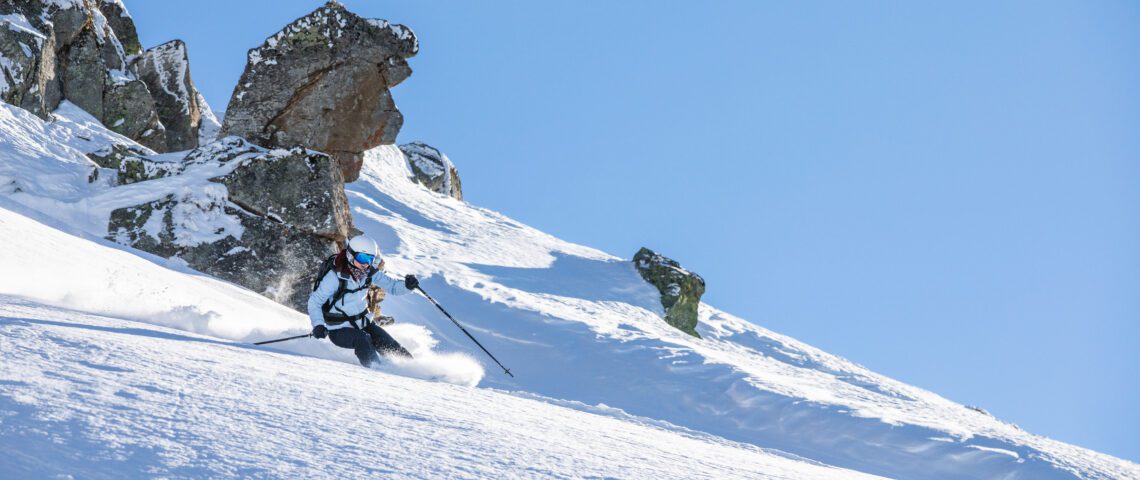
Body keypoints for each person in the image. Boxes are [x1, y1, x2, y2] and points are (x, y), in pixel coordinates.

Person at [308, 235, 419, 368]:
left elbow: (393, 287)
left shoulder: (369, 273)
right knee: (363, 339)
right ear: (350, 255)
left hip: (362, 322)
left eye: (370, 259)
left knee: (389, 344)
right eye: (362, 258)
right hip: (338, 329)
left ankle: (414, 370)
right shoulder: (335, 277)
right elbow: (315, 302)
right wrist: (318, 325)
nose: (365, 263)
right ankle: (379, 372)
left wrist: (407, 286)